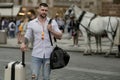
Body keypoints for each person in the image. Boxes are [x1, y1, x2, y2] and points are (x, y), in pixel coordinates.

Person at [20, 3, 62, 80]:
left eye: (46, 10)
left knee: (46, 77)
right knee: (34, 77)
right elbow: (27, 36)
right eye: (42, 10)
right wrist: (23, 43)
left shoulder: (52, 22)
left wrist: (51, 30)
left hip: (49, 55)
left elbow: (60, 36)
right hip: (36, 55)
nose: (44, 12)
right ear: (38, 10)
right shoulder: (32, 23)